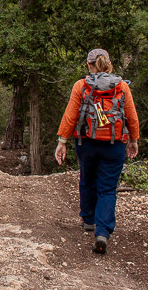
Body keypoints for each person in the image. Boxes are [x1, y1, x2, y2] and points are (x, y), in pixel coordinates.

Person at [54, 48, 139, 254]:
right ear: (108, 63)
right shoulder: (121, 87)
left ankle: (88, 219)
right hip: (114, 144)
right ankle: (102, 232)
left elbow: (70, 115)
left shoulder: (81, 86)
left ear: (88, 65)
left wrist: (62, 141)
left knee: (87, 178)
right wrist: (134, 140)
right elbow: (131, 116)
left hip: (87, 143)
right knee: (108, 188)